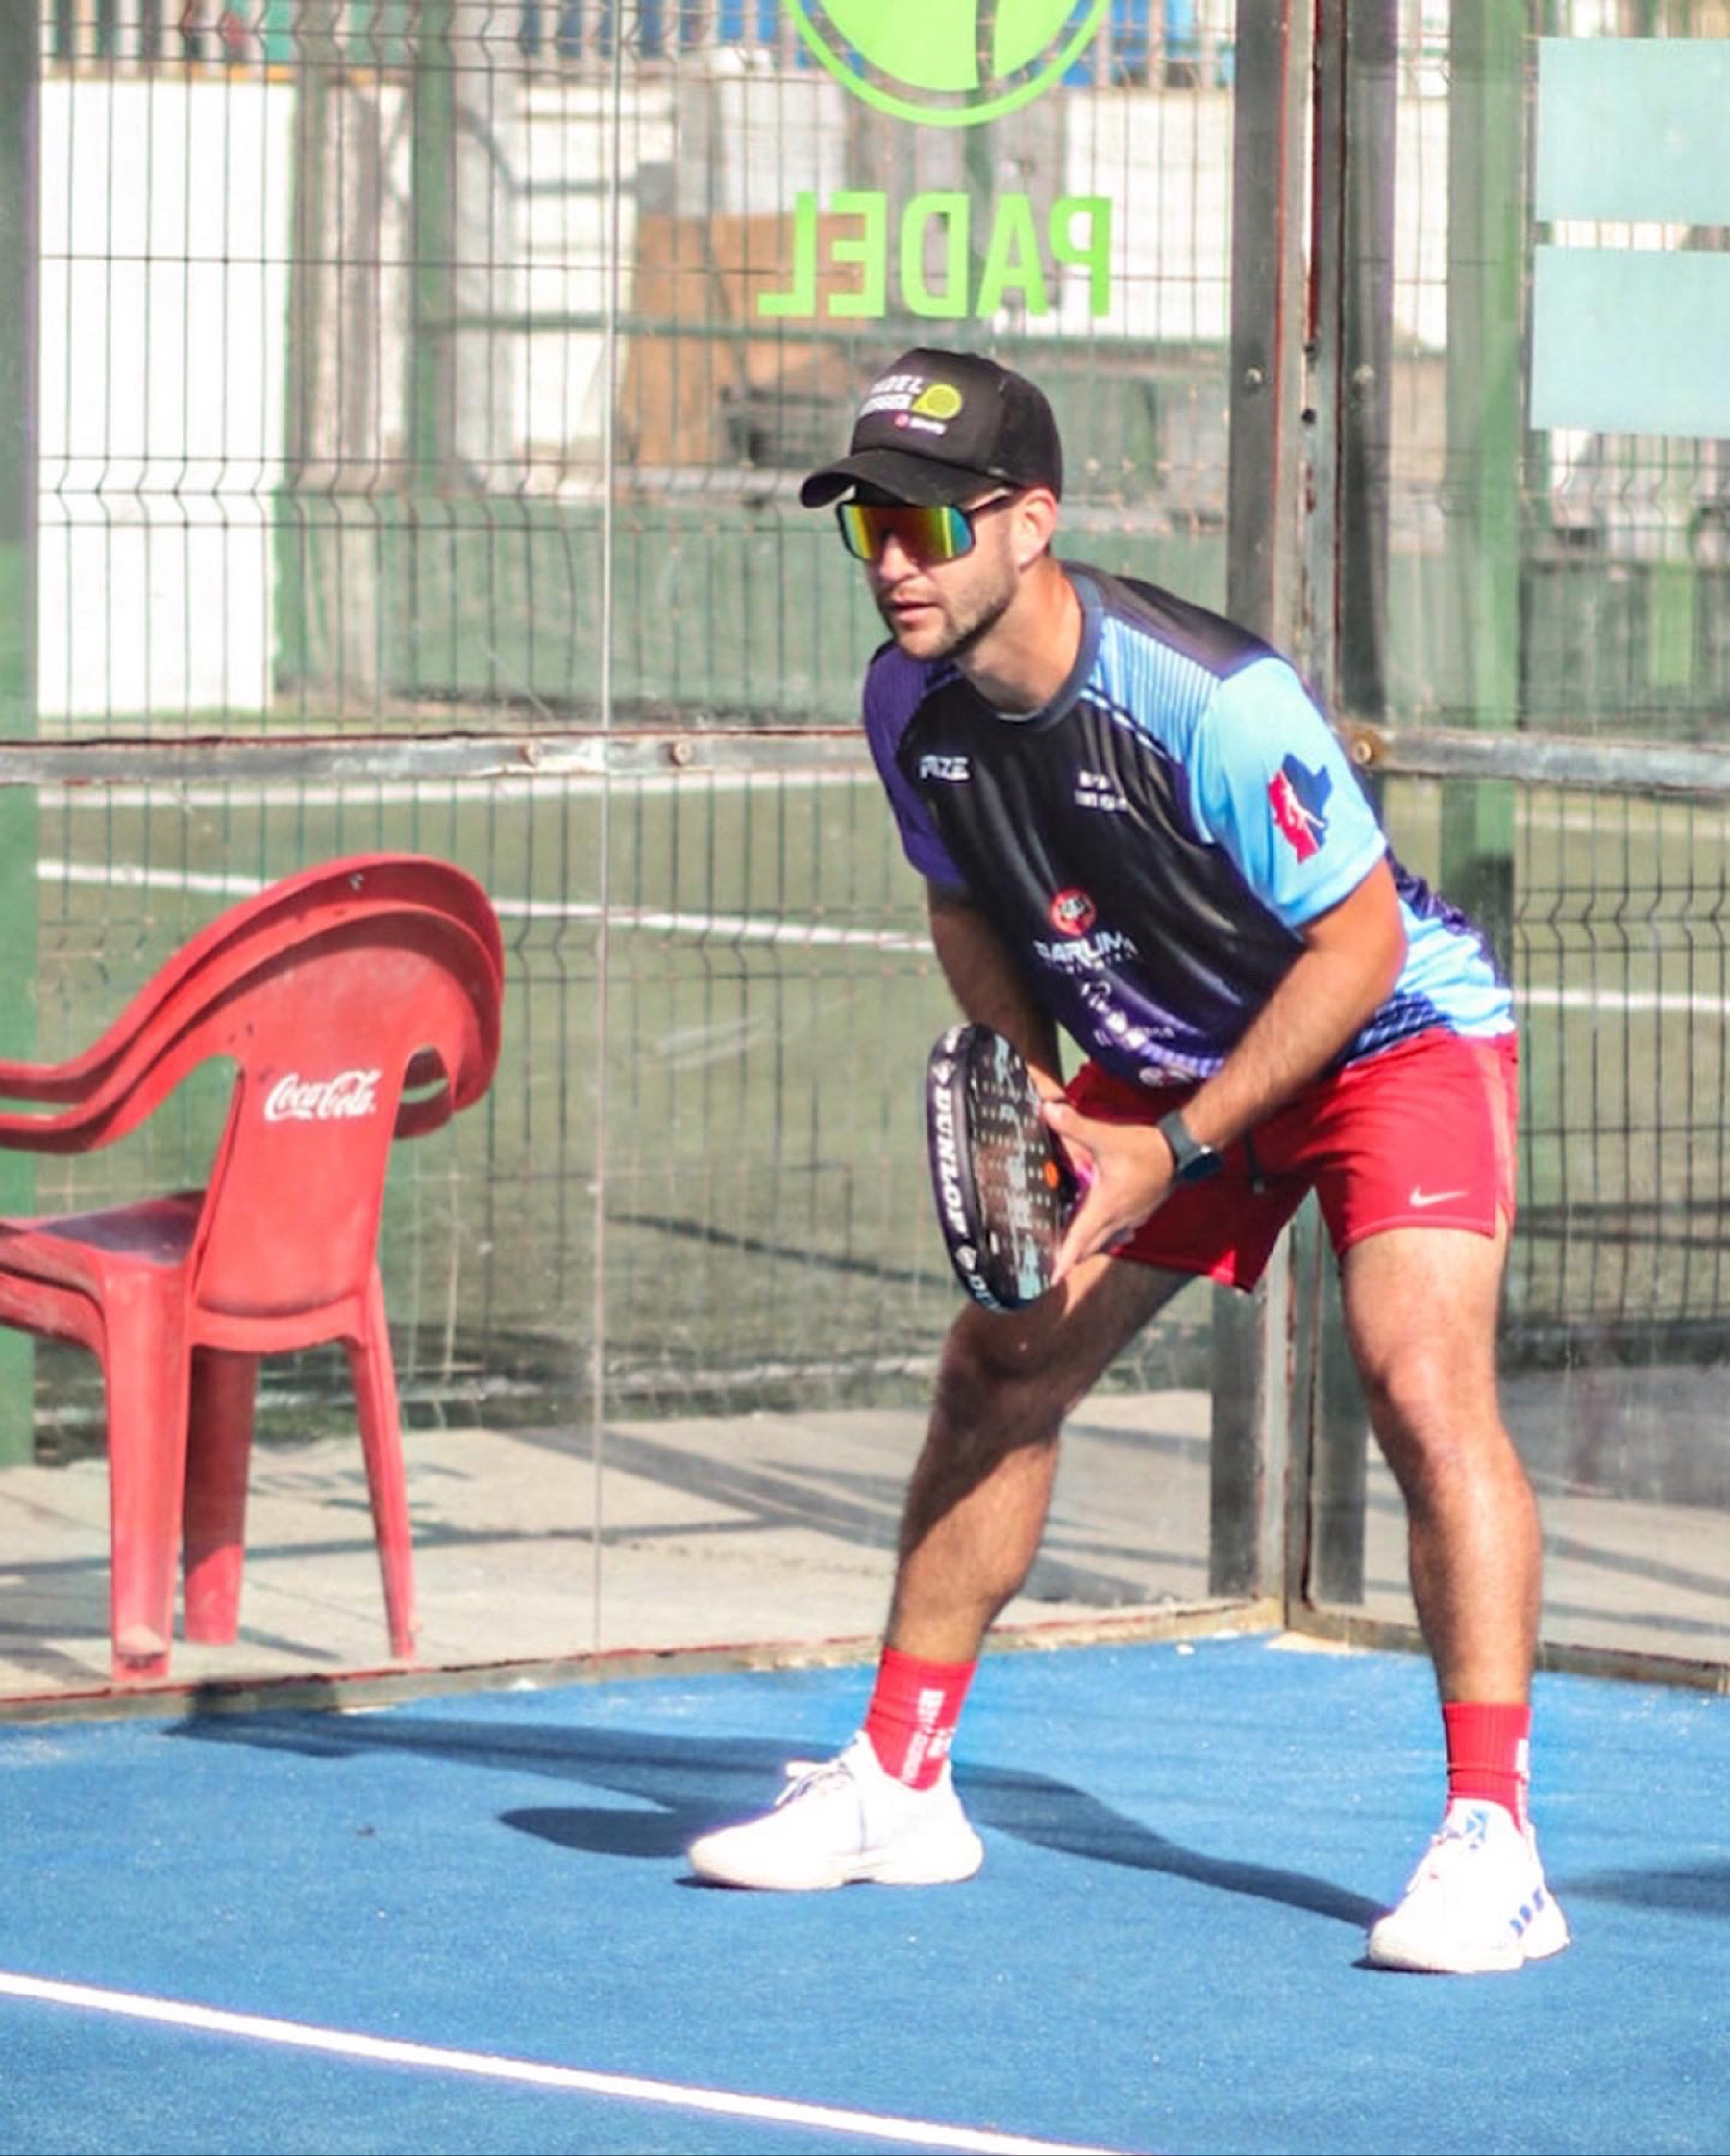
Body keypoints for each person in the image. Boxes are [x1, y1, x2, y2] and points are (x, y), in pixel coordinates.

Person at [686, 346, 1568, 1976]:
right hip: (1164, 1054)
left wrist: (1171, 1144)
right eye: (868, 525)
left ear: (1031, 522)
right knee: (1000, 1364)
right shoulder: (908, 706)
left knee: (1417, 1378)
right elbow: (964, 901)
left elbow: (1360, 944)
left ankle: (1494, 1842)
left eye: (927, 524)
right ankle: (901, 1784)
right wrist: (1041, 1091)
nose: (892, 561)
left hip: (1389, 1033)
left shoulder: (1209, 700)